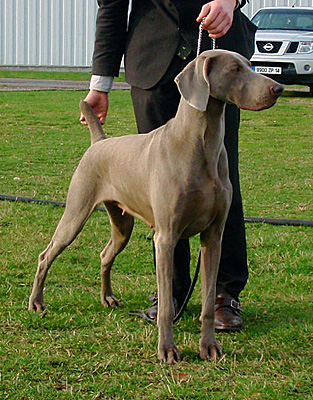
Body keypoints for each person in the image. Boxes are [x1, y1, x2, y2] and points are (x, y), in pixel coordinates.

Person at [80, 0, 257, 331]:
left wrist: (230, 1)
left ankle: (223, 294)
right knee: (159, 186)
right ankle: (170, 292)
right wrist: (100, 84)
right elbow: (112, 7)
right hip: (152, 60)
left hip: (220, 61)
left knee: (219, 177)